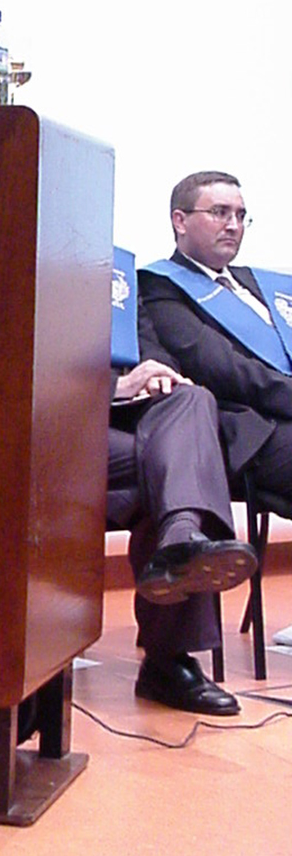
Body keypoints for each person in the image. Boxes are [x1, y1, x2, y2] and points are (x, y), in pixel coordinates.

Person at [137, 171, 292, 648]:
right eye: (220, 213)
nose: (233, 225)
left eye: (241, 215)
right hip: (248, 432)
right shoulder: (160, 287)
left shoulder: (260, 286)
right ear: (180, 221)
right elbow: (222, 368)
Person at [108, 357, 257, 715]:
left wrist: (161, 375)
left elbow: (147, 345)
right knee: (176, 468)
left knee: (193, 398)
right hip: (51, 419)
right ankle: (167, 662)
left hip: (129, 416)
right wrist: (116, 388)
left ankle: (180, 536)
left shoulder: (125, 312)